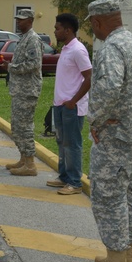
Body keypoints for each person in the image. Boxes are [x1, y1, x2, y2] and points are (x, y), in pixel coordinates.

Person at [79, 0, 132, 262]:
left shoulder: (111, 47)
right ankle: (127, 258)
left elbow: (110, 86)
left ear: (98, 22)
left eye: (92, 25)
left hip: (118, 136)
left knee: (109, 195)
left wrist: (96, 119)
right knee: (128, 193)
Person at [48, 13, 91, 195]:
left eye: (58, 28)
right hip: (60, 105)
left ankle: (75, 182)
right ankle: (64, 176)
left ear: (68, 30)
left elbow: (89, 77)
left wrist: (74, 101)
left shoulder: (78, 50)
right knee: (61, 142)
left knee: (72, 144)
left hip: (72, 108)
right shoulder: (66, 49)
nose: (55, 31)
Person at [4, 10, 43, 176]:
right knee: (17, 126)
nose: (18, 23)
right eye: (17, 20)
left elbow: (33, 64)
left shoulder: (33, 39)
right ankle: (23, 158)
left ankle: (30, 164)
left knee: (25, 127)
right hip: (20, 89)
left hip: (28, 91)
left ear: (31, 21)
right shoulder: (24, 38)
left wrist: (11, 68)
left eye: (22, 20)